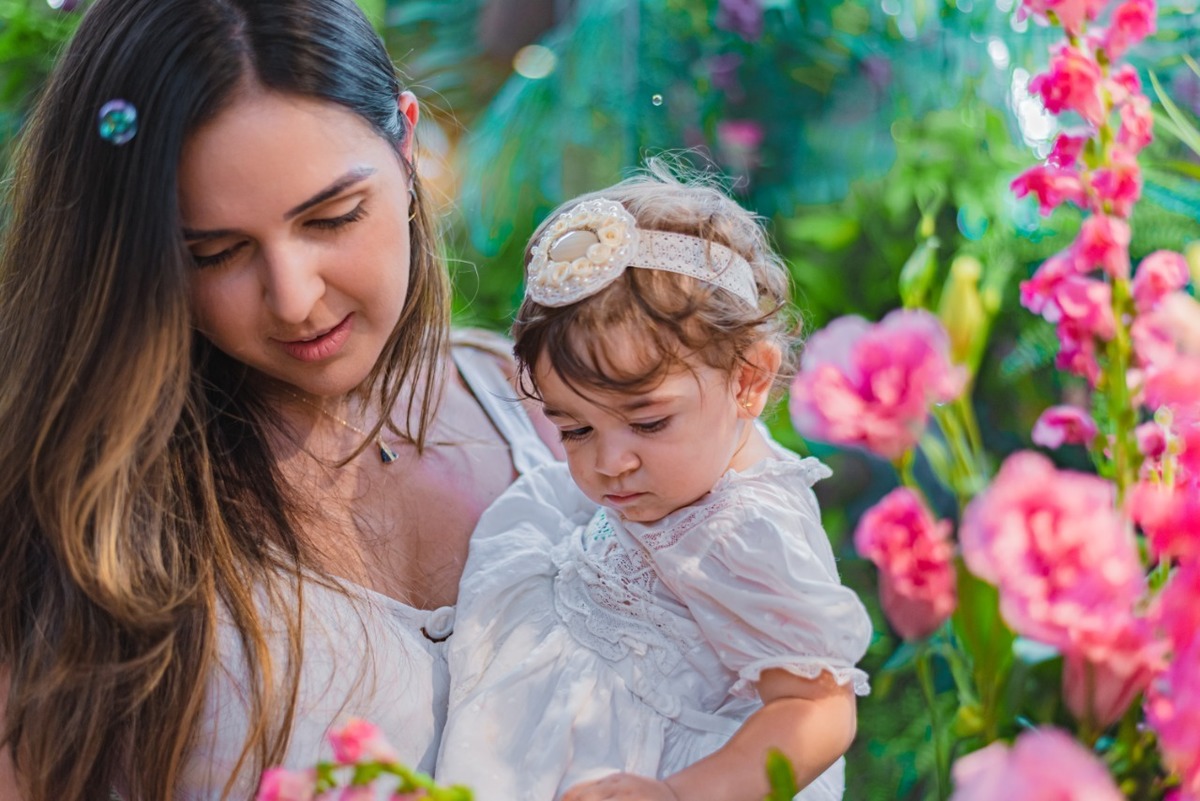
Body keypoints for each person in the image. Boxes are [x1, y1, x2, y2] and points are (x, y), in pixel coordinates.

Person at [0, 1, 561, 799]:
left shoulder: (544, 408)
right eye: (217, 252)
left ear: (406, 146)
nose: (294, 299)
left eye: (333, 217)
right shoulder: (79, 522)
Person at [436, 166, 873, 801]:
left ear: (749, 379)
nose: (610, 462)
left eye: (648, 421)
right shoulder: (689, 467)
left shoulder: (747, 529)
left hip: (645, 759)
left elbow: (819, 709)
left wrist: (678, 793)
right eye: (575, 429)